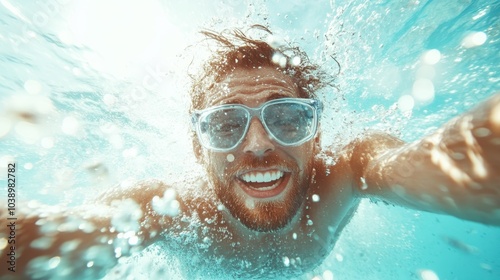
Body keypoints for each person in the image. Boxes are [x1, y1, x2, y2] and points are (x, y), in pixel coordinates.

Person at [2, 27, 499, 279]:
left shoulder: (349, 169)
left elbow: (431, 165)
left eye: (287, 118)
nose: (259, 144)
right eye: (225, 124)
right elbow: (61, 236)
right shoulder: (166, 205)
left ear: (317, 134)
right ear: (199, 148)